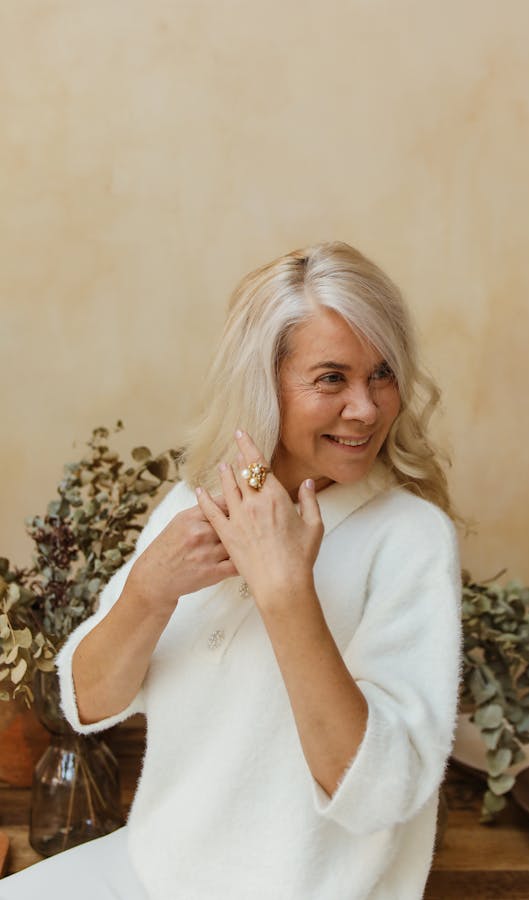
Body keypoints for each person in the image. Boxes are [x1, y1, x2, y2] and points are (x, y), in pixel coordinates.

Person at [1, 241, 462, 900]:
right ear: (263, 384)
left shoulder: (412, 538)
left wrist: (286, 593)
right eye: (332, 378)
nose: (366, 408)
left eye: (382, 374)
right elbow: (87, 704)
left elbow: (381, 797)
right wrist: (146, 592)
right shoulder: (197, 501)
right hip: (148, 869)